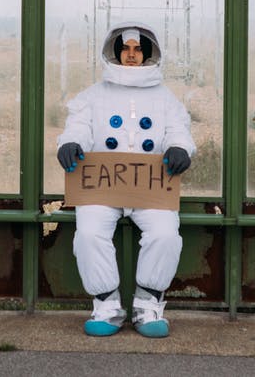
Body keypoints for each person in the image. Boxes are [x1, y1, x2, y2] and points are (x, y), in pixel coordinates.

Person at [56, 21, 195, 338]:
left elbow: (178, 129)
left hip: (151, 188)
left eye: (137, 50)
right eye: (125, 49)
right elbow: (80, 125)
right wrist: (70, 142)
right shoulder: (93, 95)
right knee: (89, 233)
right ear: (115, 52)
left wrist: (179, 148)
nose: (131, 55)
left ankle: (149, 303)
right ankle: (106, 304)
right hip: (102, 188)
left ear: (147, 54)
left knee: (165, 234)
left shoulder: (165, 98)